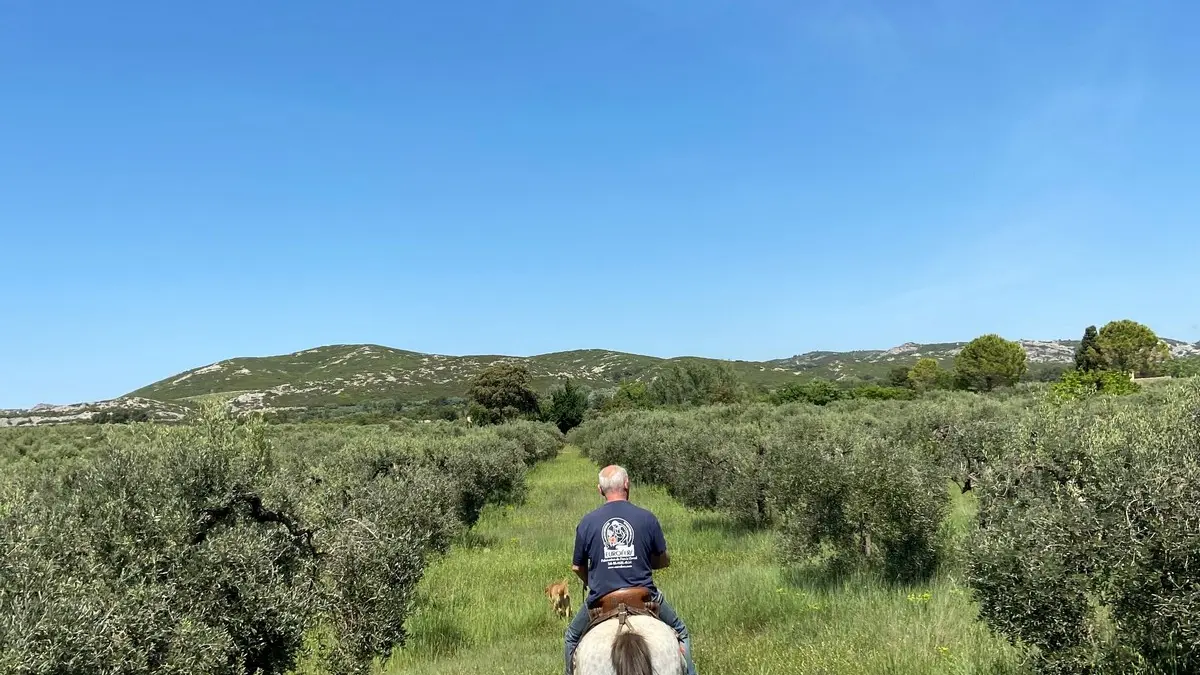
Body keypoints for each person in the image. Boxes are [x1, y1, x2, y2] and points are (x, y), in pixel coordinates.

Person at [563, 464, 696, 675]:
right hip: (644, 596)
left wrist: (593, 583)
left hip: (602, 599)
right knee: (681, 631)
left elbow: (576, 567)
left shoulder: (587, 522)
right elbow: (662, 560)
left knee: (571, 637)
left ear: (600, 489)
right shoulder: (647, 517)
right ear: (627, 484)